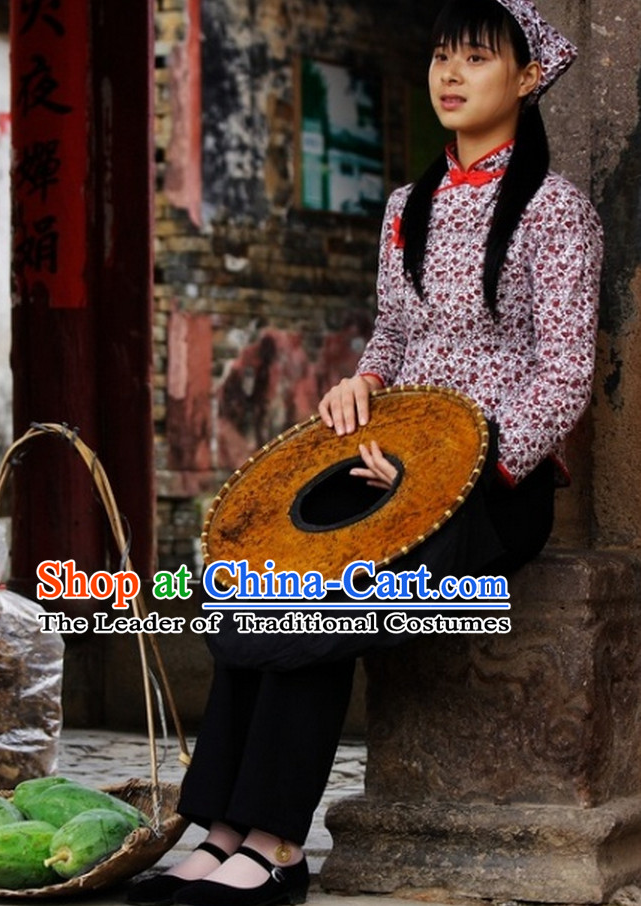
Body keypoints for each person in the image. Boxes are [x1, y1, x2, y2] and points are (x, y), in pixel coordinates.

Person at [127, 1, 603, 905]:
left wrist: (455, 469)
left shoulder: (554, 211)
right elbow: (392, 333)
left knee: (325, 595)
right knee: (264, 565)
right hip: (384, 459)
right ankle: (221, 823)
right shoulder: (404, 207)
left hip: (495, 485)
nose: (449, 74)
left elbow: (564, 378)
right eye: (439, 56)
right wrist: (360, 384)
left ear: (529, 77)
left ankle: (276, 844)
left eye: (475, 58)